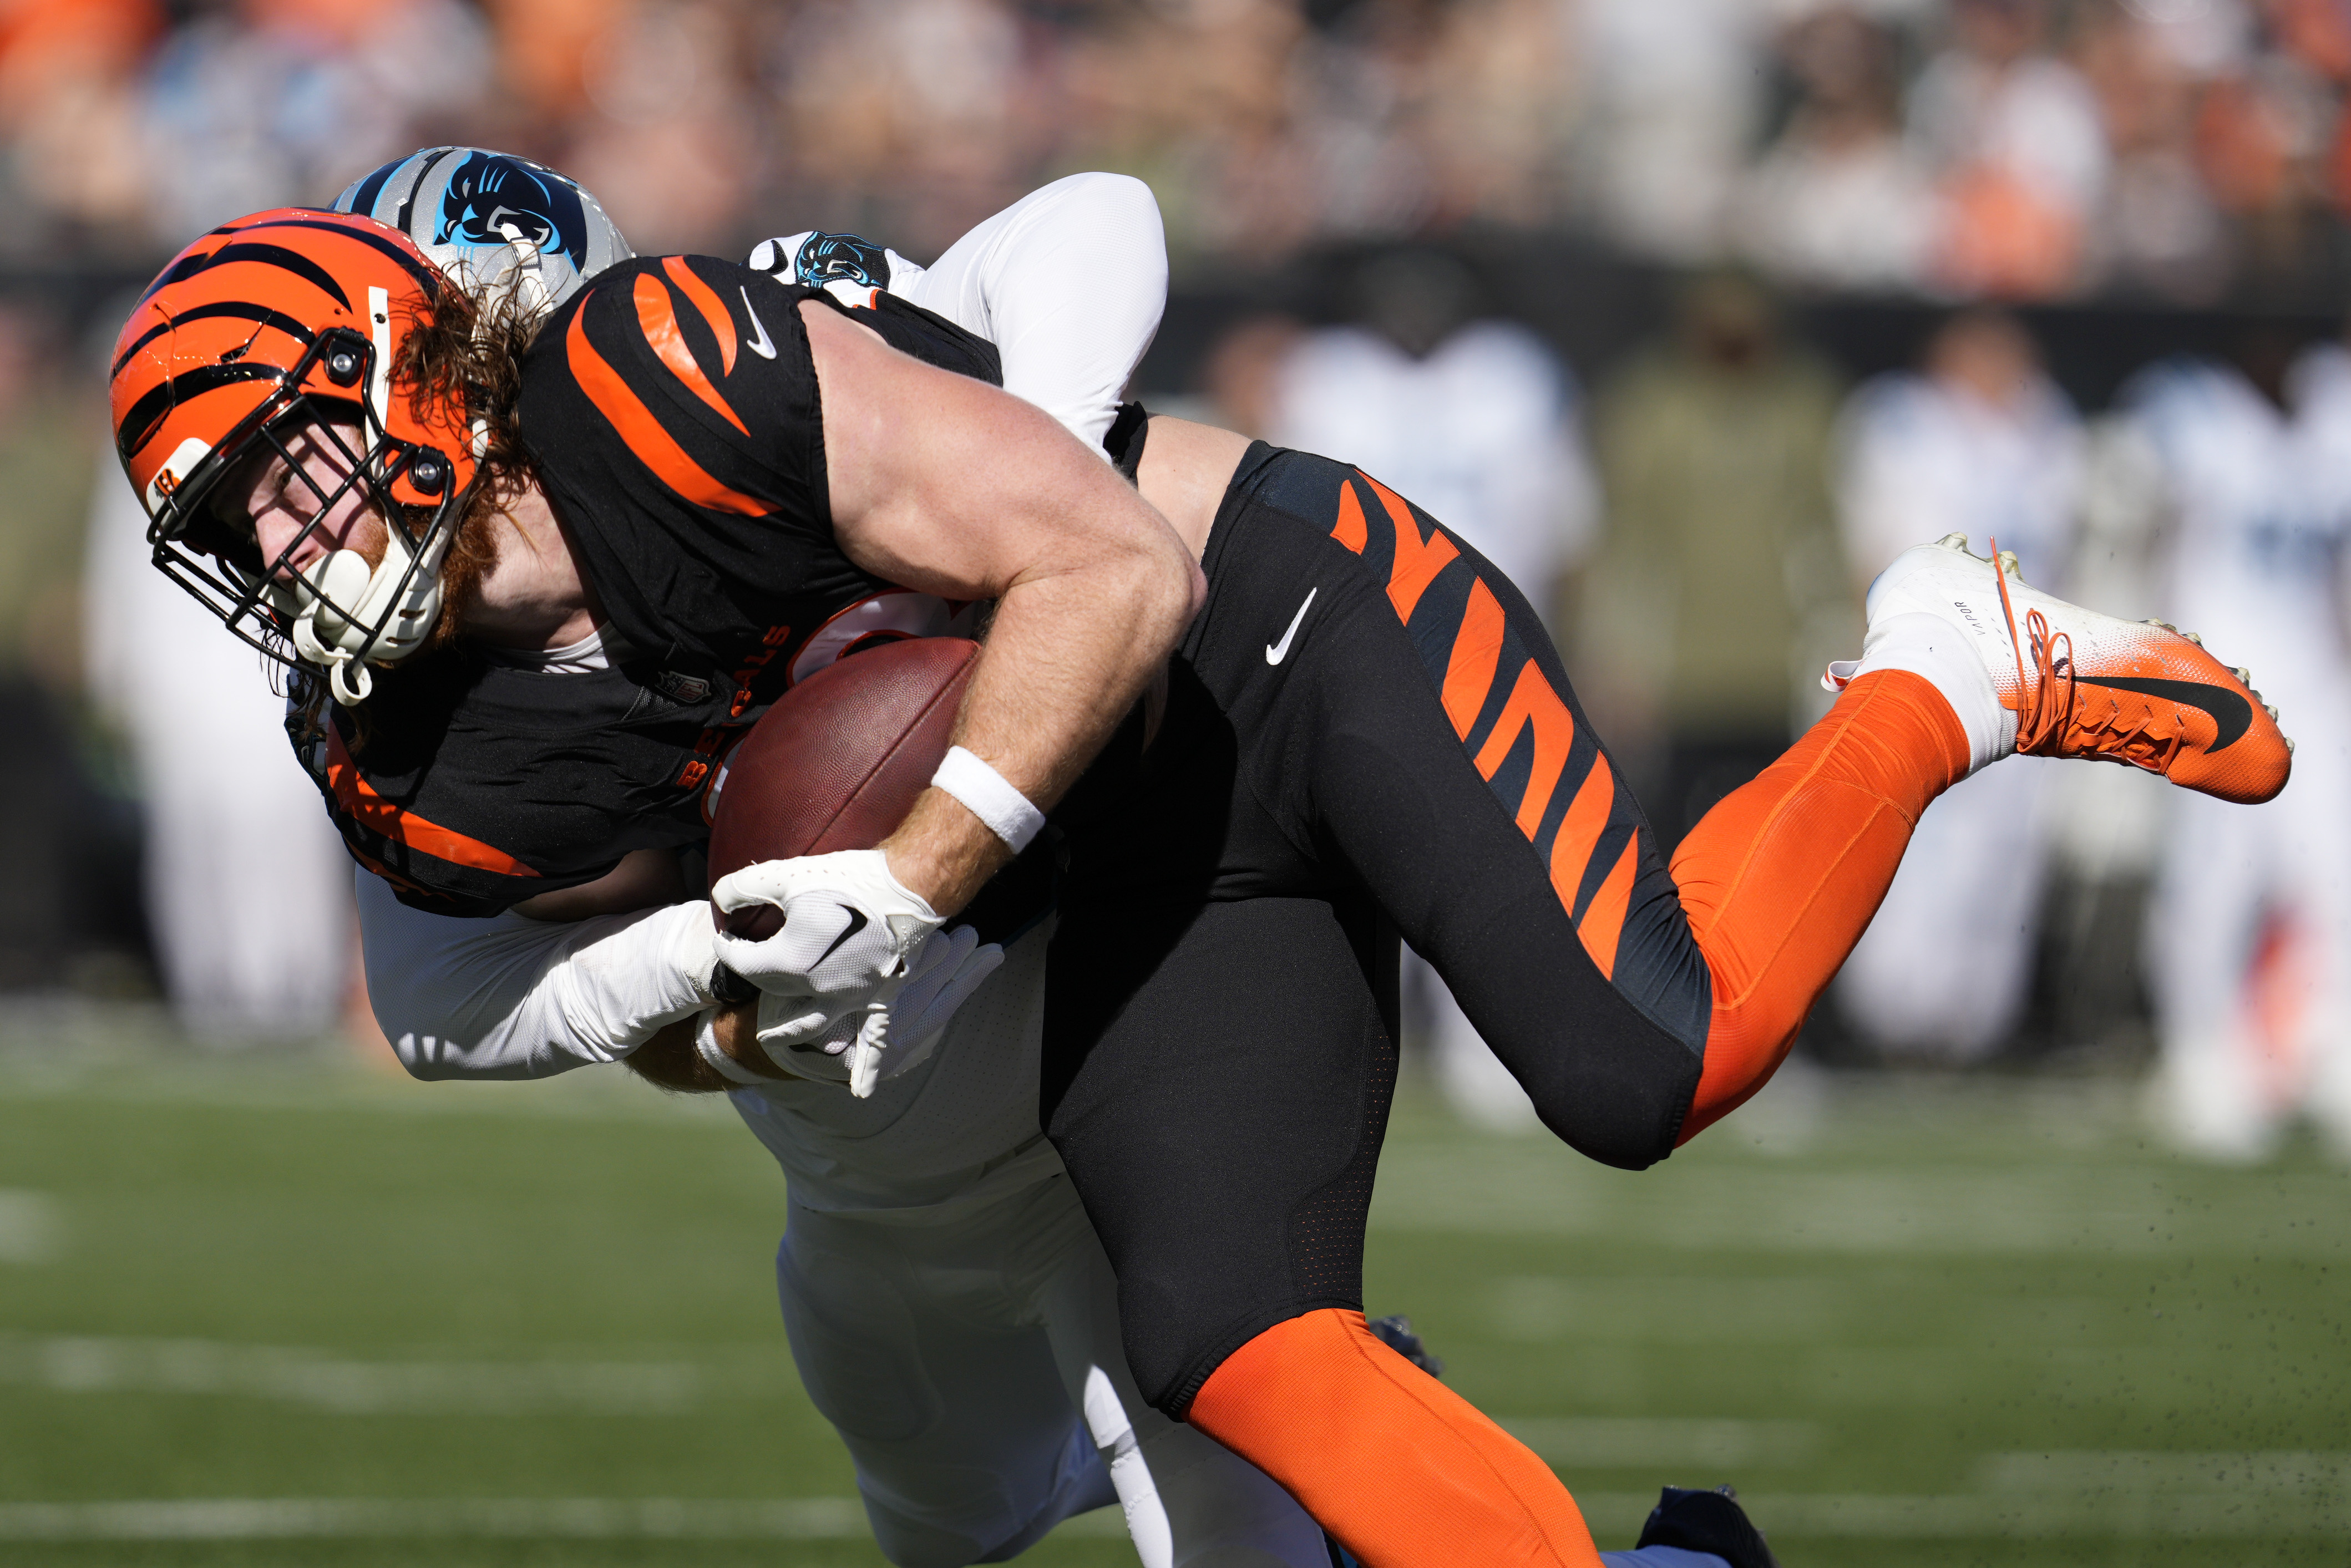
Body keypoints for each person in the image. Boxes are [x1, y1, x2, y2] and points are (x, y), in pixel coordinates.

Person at [113, 176, 2290, 1567]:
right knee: (1238, 1340)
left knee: (1648, 1060)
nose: (287, 554)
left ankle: (1943, 673)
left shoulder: (668, 369)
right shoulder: (393, 735)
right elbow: (431, 993)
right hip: (1118, 844)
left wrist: (922, 859)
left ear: (405, 369)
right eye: (235, 538)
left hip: (1272, 626)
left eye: (289, 475)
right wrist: (700, 951)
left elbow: (1107, 556)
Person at [2120, 330, 2351, 1160]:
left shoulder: (2334, 411)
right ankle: (2199, 1059)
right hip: (2218, 693)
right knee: (2212, 883)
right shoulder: (2192, 416)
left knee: (2334, 878)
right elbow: (2150, 542)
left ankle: (2330, 1059)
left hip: (2319, 688)